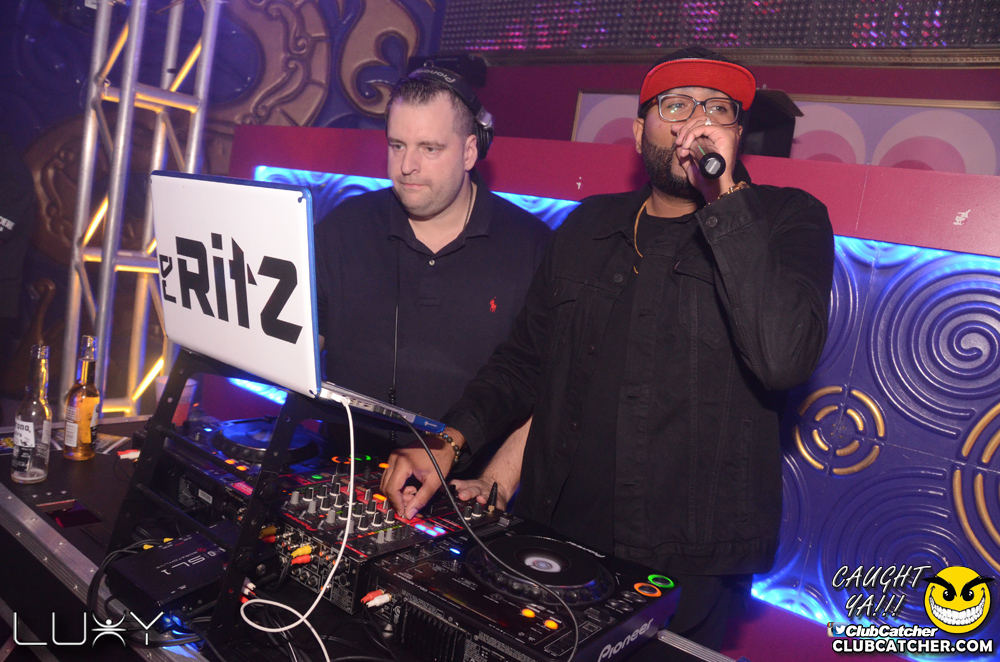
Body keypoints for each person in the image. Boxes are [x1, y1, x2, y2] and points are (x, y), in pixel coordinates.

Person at [381, 46, 834, 652]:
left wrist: (725, 196)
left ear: (735, 134)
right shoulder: (590, 225)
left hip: (686, 569)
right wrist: (450, 442)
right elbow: (525, 361)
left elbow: (783, 358)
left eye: (717, 109)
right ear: (639, 131)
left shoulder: (787, 219)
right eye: (676, 105)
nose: (696, 122)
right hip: (554, 532)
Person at [313, 68, 549, 458]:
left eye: (430, 149)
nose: (407, 165)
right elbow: (298, 347)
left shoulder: (533, 247)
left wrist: (497, 481)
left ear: (470, 152)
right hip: (343, 470)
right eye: (397, 145)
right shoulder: (344, 227)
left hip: (463, 486)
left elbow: (543, 388)